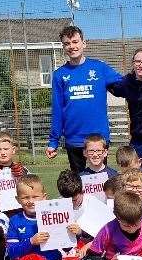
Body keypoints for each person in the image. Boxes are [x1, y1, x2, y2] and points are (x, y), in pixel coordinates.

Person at [46, 25, 124, 173]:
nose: (72, 46)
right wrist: (53, 141)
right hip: (74, 139)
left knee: (101, 184)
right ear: (63, 47)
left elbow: (125, 84)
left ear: (84, 43)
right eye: (67, 43)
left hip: (98, 139)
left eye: (75, 42)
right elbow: (57, 110)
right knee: (79, 187)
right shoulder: (59, 75)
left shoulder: (99, 67)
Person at [5, 175, 72, 260]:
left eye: (35, 197)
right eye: (25, 197)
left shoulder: (53, 215)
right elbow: (12, 252)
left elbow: (67, 248)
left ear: (44, 197)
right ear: (18, 199)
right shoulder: (15, 220)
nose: (31, 201)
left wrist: (74, 234)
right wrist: (31, 241)